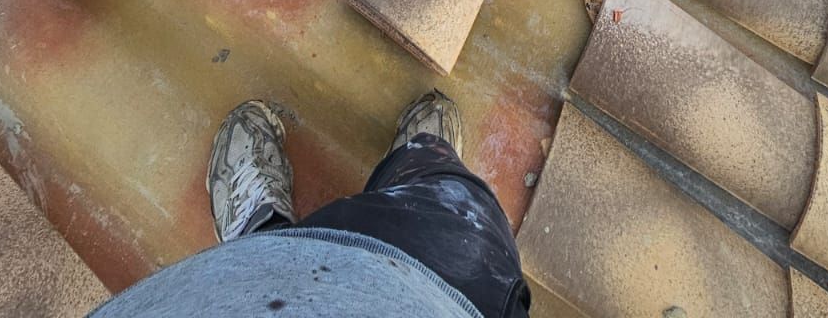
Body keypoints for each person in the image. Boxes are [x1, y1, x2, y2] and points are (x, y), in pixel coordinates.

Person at [92, 92, 531, 317]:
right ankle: (417, 164)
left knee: (248, 276)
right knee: (459, 212)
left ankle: (260, 233)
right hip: (440, 298)